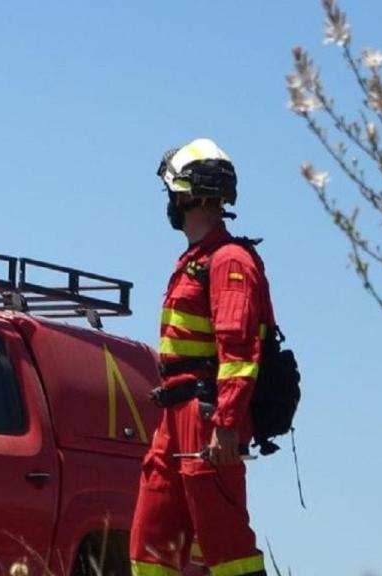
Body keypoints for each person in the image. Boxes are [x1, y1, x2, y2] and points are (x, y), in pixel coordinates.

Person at [130, 138, 273, 576]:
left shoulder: (229, 261)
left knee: (225, 542)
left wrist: (226, 424)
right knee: (151, 542)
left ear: (186, 195)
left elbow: (239, 350)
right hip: (175, 414)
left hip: (207, 413)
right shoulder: (196, 260)